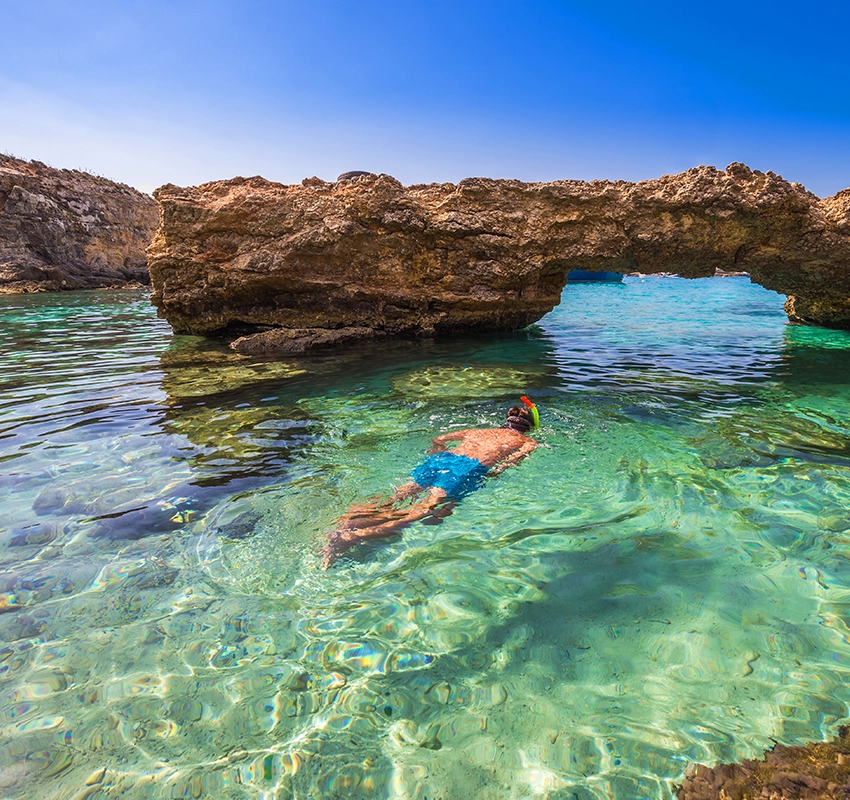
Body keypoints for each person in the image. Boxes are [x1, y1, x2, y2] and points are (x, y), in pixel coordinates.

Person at [320, 398, 539, 567]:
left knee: (395, 496)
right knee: (420, 512)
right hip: (467, 469)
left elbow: (440, 439)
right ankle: (351, 538)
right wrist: (491, 475)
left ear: (507, 420)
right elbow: (508, 464)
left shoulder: (478, 430)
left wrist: (435, 456)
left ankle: (344, 523)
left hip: (442, 459)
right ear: (528, 427)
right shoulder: (527, 441)